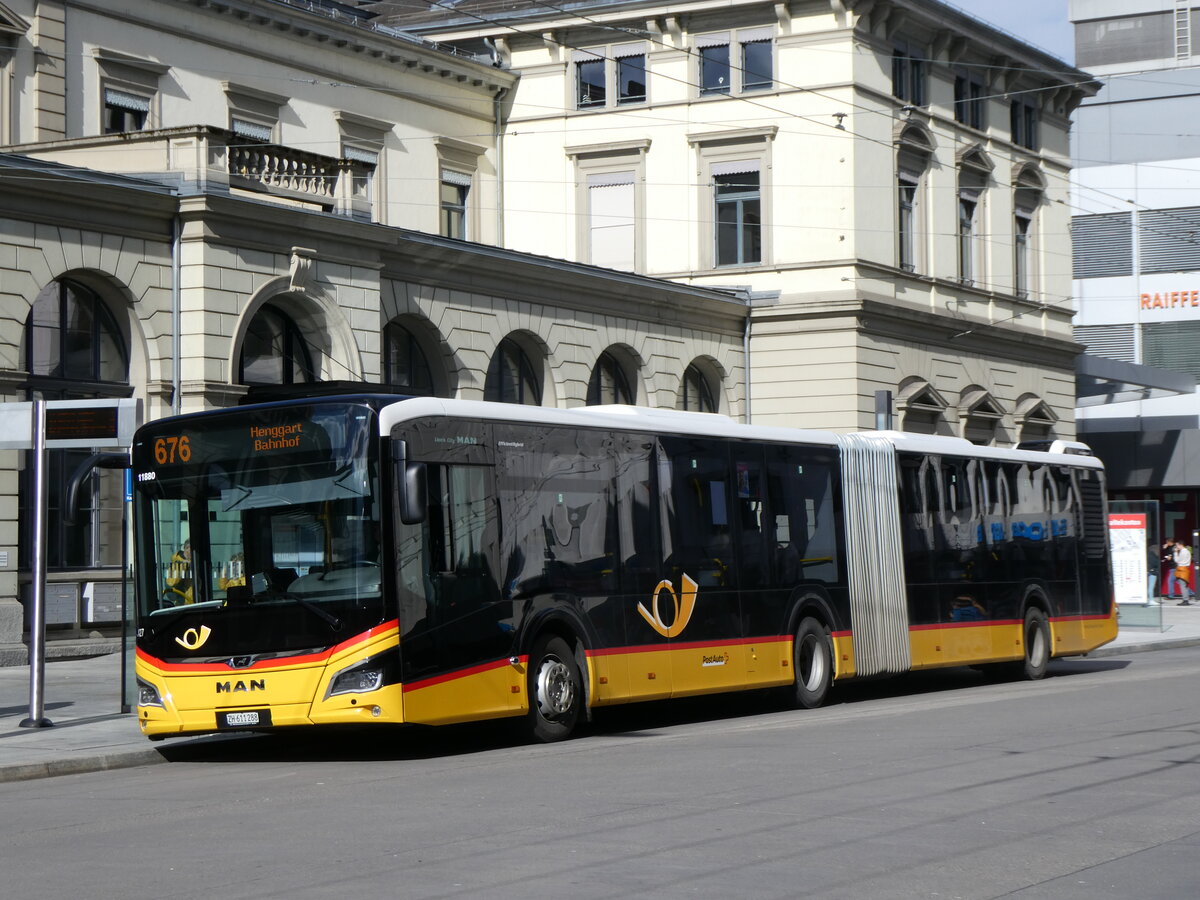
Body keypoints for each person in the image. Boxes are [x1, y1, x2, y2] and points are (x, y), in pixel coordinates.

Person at [1164, 540, 1195, 606]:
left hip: (1181, 569)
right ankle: (1187, 597)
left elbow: (1177, 560)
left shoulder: (1183, 552)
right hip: (1185, 569)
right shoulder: (1187, 551)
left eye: (1177, 545)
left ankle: (1185, 600)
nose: (1176, 547)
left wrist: (1175, 553)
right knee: (1184, 585)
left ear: (1181, 545)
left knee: (1182, 586)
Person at [164, 539, 194, 605]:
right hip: (182, 603)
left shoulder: (194, 563)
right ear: (186, 548)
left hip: (194, 602)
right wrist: (183, 565)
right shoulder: (176, 563)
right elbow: (171, 582)